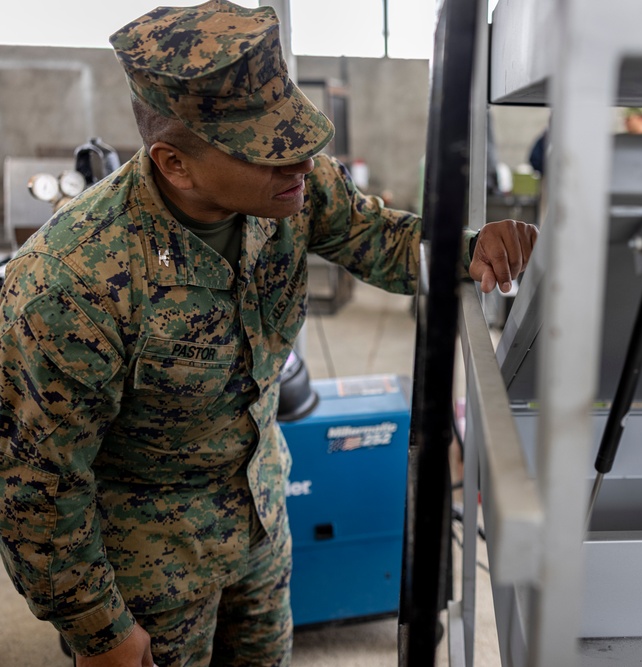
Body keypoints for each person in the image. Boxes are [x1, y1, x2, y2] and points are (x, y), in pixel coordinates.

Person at [0, 2, 537, 666]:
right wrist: (98, 628)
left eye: (300, 141)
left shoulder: (291, 194)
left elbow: (383, 238)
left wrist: (470, 248)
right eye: (271, 152)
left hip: (260, 529)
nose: (303, 165)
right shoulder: (70, 281)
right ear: (176, 164)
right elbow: (39, 485)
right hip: (147, 578)